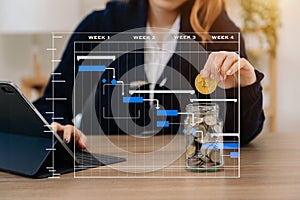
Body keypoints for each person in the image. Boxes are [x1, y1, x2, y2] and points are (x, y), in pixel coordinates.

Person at [34, 0, 265, 149]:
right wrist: (62, 126)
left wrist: (243, 87)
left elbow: (239, 136)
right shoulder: (100, 25)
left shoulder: (221, 32)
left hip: (188, 182)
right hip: (106, 175)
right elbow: (53, 101)